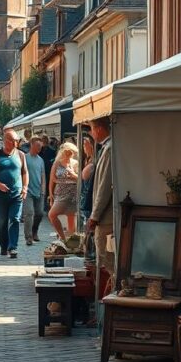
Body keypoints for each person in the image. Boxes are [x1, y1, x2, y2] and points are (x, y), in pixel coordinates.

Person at [0, 128, 28, 258]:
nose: (16, 143)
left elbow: (25, 172)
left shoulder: (20, 155)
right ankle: (4, 246)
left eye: (17, 140)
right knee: (2, 222)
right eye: (13, 140)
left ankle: (13, 247)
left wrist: (25, 187)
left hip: (17, 194)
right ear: (6, 141)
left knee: (15, 219)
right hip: (1, 195)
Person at [85, 117, 115, 281]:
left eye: (91, 129)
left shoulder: (109, 149)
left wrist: (95, 216)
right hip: (104, 216)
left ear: (99, 129)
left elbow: (104, 186)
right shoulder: (106, 148)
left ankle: (109, 296)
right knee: (105, 259)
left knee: (106, 261)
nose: (91, 134)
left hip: (106, 217)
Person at [48, 142, 80, 241]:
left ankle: (70, 241)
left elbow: (80, 178)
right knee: (52, 215)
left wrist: (72, 174)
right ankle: (63, 237)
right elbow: (52, 179)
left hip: (72, 193)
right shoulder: (57, 162)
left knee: (70, 217)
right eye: (68, 152)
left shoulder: (75, 163)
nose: (70, 154)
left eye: (72, 152)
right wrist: (51, 195)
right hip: (60, 193)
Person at [21, 137, 46, 246]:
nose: (39, 148)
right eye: (37, 146)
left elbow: (43, 175)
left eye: (41, 146)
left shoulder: (41, 160)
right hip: (28, 191)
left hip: (38, 190)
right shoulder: (25, 158)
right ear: (31, 145)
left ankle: (34, 230)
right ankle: (28, 237)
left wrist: (43, 189)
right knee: (29, 213)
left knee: (40, 213)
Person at [78, 134, 96, 226]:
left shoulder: (93, 162)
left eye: (85, 144)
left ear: (91, 145)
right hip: (84, 198)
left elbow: (84, 176)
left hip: (88, 199)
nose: (83, 147)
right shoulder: (87, 160)